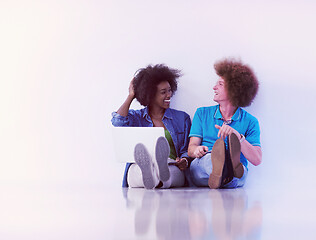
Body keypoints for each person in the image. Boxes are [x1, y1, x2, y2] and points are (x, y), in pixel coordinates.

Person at [111, 64, 192, 189]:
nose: (169, 95)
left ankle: (158, 172)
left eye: (170, 90)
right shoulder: (136, 117)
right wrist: (131, 95)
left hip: (172, 165)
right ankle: (152, 173)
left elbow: (186, 150)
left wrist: (184, 161)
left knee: (167, 173)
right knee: (137, 171)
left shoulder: (182, 118)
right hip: (139, 165)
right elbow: (118, 122)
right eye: (163, 92)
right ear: (150, 94)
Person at [188, 58, 262, 189]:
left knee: (240, 173)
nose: (214, 87)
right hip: (204, 168)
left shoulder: (250, 121)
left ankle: (227, 169)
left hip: (233, 175)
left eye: (220, 84)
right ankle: (226, 166)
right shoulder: (202, 113)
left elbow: (256, 159)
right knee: (208, 161)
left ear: (234, 89)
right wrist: (197, 150)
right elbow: (191, 148)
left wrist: (238, 137)